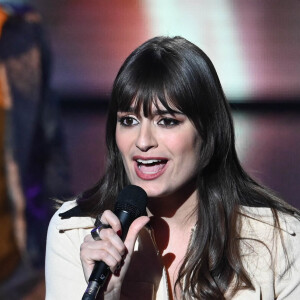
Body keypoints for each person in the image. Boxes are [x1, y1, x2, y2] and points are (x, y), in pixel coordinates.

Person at [45, 36, 300, 299]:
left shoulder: (279, 240)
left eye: (166, 121)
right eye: (129, 120)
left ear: (209, 131)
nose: (142, 142)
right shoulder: (77, 233)